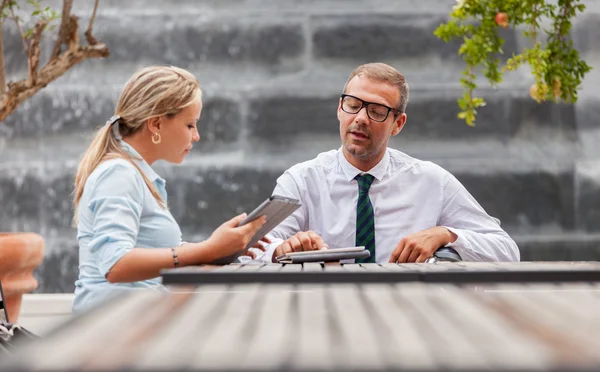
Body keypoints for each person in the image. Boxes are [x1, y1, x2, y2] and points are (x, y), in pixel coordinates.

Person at [256, 63, 519, 263]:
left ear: (398, 124)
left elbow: (507, 251)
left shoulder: (431, 182)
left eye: (377, 111)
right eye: (353, 104)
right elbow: (248, 251)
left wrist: (446, 234)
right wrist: (281, 250)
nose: (360, 118)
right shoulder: (301, 181)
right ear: (339, 108)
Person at [72, 66, 267, 313]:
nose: (196, 136)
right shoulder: (119, 174)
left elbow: (149, 253)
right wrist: (207, 249)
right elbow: (116, 265)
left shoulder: (134, 173)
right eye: (190, 125)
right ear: (155, 124)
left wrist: (222, 249)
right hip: (112, 327)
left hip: (133, 318)